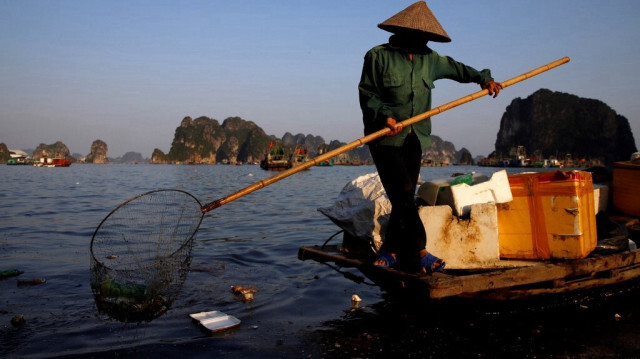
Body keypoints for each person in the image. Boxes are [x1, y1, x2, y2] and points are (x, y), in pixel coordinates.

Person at [358, 1, 502, 273]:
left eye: (425, 37)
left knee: (404, 196)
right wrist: (385, 116)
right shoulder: (377, 56)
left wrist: (484, 79)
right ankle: (420, 250)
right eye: (417, 36)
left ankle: (390, 249)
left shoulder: (430, 60)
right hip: (384, 138)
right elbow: (368, 94)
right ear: (403, 32)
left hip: (416, 137)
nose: (422, 41)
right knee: (401, 192)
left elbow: (460, 70)